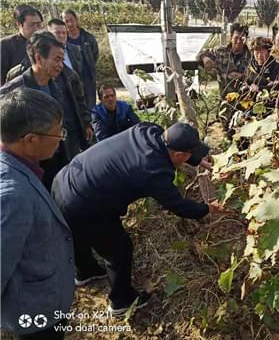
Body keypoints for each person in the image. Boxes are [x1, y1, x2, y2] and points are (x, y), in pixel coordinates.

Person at [52, 122, 224, 315]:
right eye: (190, 155)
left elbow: (177, 151)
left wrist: (197, 161)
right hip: (84, 203)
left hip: (64, 180)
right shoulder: (155, 172)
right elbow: (180, 206)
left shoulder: (148, 130)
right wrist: (208, 208)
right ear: (179, 155)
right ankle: (121, 301)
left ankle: (86, 271)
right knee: (119, 249)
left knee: (79, 231)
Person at [1, 89, 74, 340]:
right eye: (58, 132)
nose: (60, 139)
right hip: (35, 313)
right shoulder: (12, 195)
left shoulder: (19, 167)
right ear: (31, 139)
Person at [1, 31, 92, 189]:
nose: (61, 65)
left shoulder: (62, 84)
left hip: (60, 152)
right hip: (31, 162)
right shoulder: (13, 92)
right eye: (56, 59)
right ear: (38, 58)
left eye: (62, 60)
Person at [198, 23, 252, 97]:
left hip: (246, 98)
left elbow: (258, 76)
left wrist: (242, 76)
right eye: (236, 38)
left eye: (242, 38)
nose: (239, 41)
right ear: (231, 37)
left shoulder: (251, 56)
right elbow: (202, 52)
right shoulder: (221, 51)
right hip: (224, 98)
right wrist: (205, 58)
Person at [62, 9, 99, 108]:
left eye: (72, 20)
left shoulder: (87, 37)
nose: (70, 24)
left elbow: (95, 54)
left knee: (90, 105)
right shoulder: (63, 39)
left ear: (76, 20)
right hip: (71, 78)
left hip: (88, 77)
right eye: (66, 21)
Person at [238, 37, 279, 114]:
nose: (259, 55)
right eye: (256, 51)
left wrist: (260, 88)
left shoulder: (277, 67)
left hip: (269, 106)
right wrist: (246, 87)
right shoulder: (250, 67)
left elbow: (277, 87)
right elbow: (245, 82)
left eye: (262, 51)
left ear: (268, 52)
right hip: (250, 105)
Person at [1, 5, 43, 85]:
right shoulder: (5, 45)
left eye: (38, 24)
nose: (36, 28)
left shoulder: (45, 43)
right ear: (19, 24)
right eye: (31, 24)